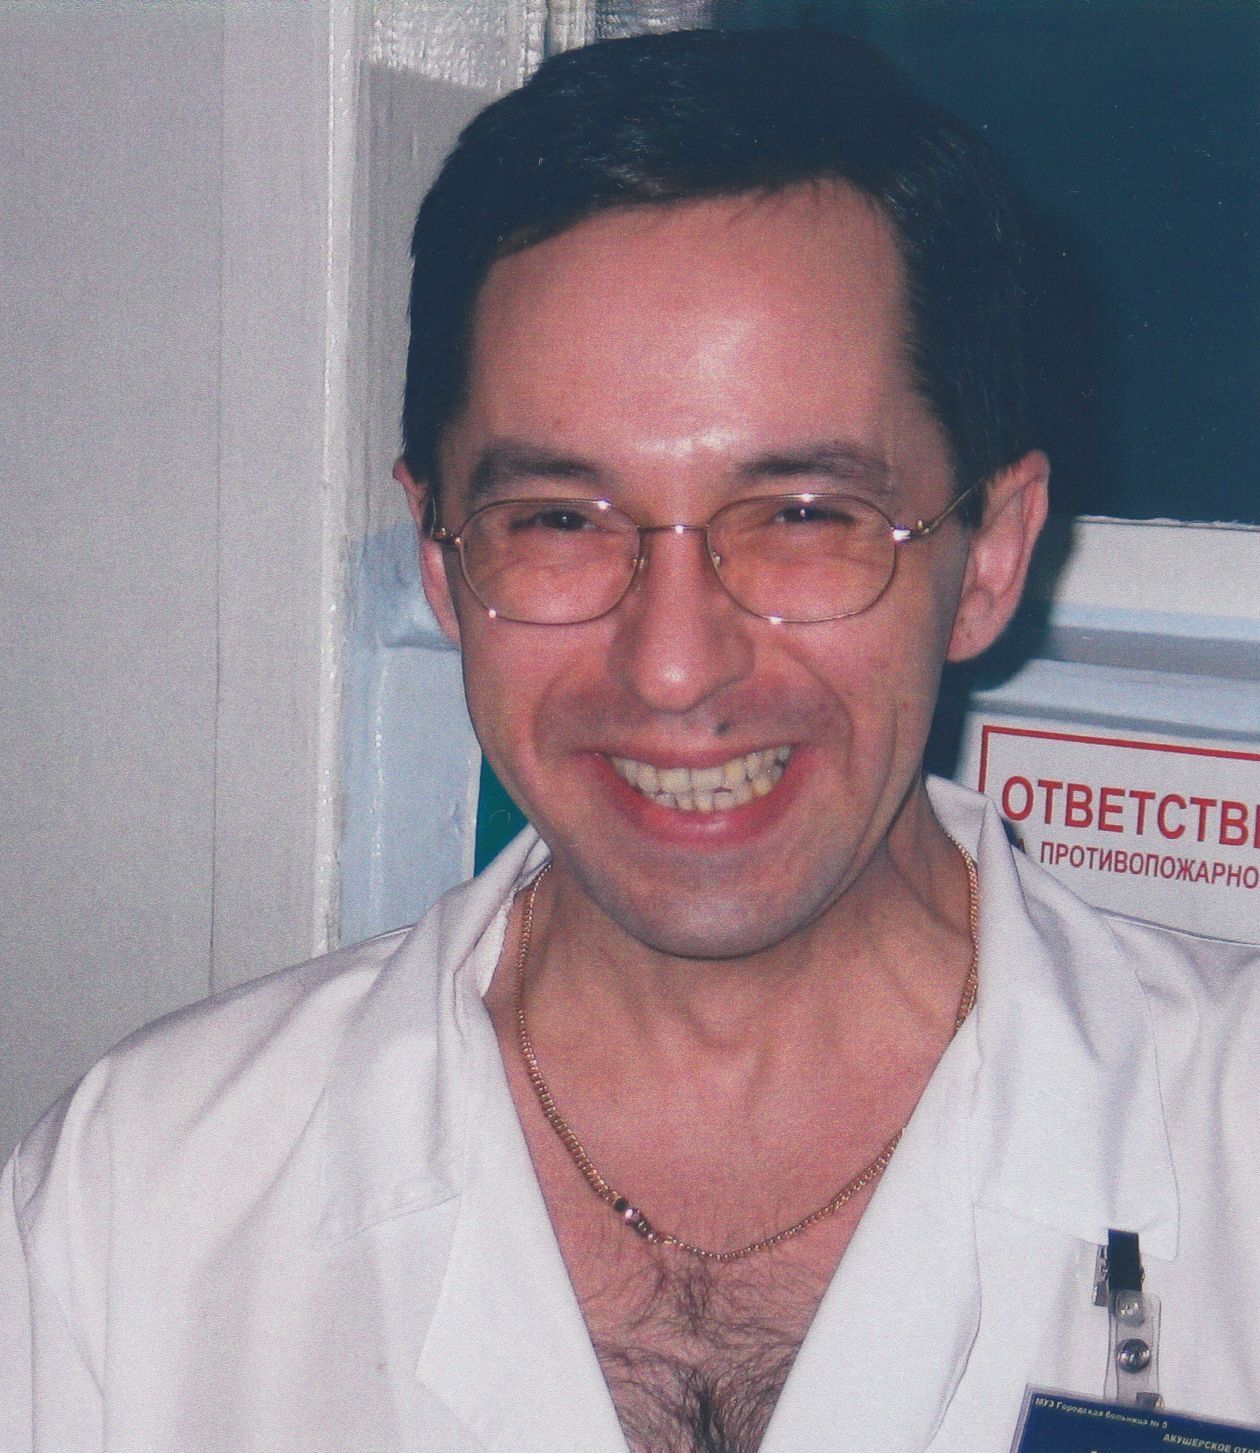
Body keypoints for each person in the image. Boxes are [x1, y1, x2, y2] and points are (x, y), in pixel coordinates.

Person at [3, 28, 1258, 1453]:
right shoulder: (141, 1210)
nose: (672, 664)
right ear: (441, 562)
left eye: (801, 516)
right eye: (557, 519)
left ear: (989, 558)